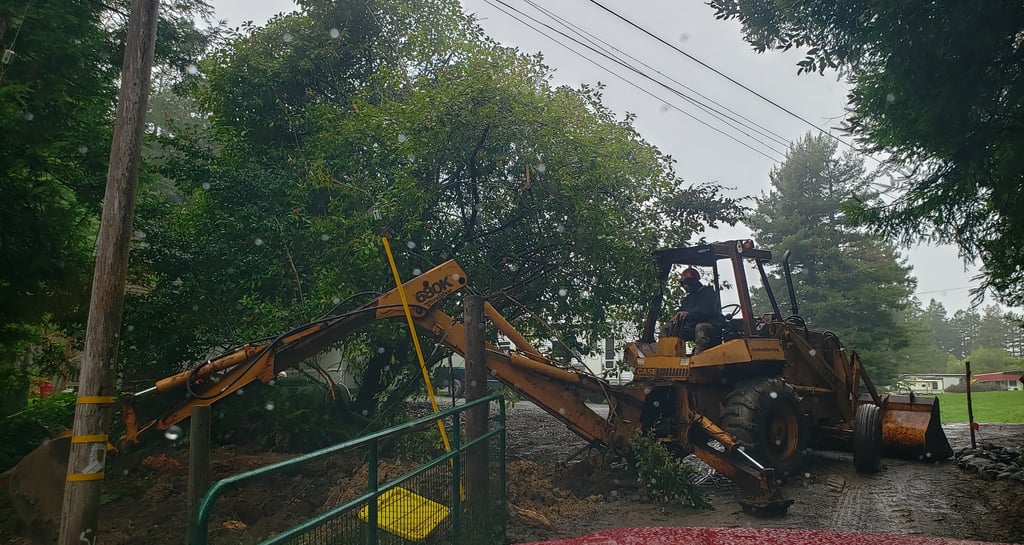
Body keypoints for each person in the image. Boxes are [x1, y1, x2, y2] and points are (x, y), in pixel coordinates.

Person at [668, 267, 723, 353]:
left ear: (693, 282)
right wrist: (677, 315)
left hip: (711, 324)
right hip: (692, 325)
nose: (684, 287)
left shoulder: (709, 293)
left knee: (701, 327)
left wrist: (688, 313)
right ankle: (668, 355)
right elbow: (682, 310)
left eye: (685, 283)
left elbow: (705, 311)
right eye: (682, 284)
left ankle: (698, 358)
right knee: (669, 327)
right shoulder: (689, 298)